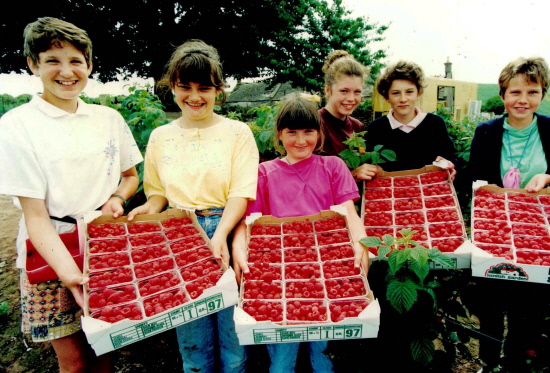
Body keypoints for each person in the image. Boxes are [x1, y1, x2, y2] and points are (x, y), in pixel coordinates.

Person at [0, 17, 142, 373]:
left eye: (76, 61)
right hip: (47, 250)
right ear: (33, 65)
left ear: (90, 66)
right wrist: (71, 275)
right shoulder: (18, 125)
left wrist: (118, 199)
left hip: (104, 243)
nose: (66, 71)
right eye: (52, 60)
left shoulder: (107, 118)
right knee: (74, 361)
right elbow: (35, 215)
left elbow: (130, 177)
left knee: (105, 348)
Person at [127, 39, 259, 373]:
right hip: (180, 236)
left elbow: (241, 193)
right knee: (193, 340)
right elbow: (156, 193)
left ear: (219, 90)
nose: (195, 96)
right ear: (172, 87)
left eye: (205, 88)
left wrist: (221, 236)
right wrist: (148, 209)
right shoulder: (160, 136)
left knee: (233, 340)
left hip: (229, 231)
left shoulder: (237, 132)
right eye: (185, 87)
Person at [232, 93, 368, 373]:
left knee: (324, 354)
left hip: (327, 272)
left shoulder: (333, 167)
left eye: (308, 132)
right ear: (279, 135)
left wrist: (360, 244)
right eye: (291, 132)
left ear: (319, 134)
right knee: (282, 359)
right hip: (279, 273)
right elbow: (250, 223)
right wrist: (239, 249)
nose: (300, 140)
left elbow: (349, 213)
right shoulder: (264, 173)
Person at [466, 57, 550, 372]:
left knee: (528, 306)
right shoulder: (486, 132)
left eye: (532, 91)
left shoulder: (549, 129)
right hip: (496, 230)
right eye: (515, 92)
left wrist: (548, 177)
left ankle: (515, 362)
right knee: (491, 304)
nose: (522, 100)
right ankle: (488, 362)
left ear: (542, 94)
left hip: (539, 234)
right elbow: (474, 177)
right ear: (503, 95)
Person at [363, 60, 457, 179]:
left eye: (409, 92)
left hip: (428, 193)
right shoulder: (376, 128)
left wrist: (450, 165)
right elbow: (369, 166)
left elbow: (450, 157)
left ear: (419, 93)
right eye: (396, 93)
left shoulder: (434, 124)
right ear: (386, 97)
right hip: (390, 194)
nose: (403, 99)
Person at [318, 50, 367, 159]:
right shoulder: (315, 124)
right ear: (328, 90)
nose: (351, 99)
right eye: (344, 91)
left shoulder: (357, 127)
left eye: (357, 92)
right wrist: (353, 174)